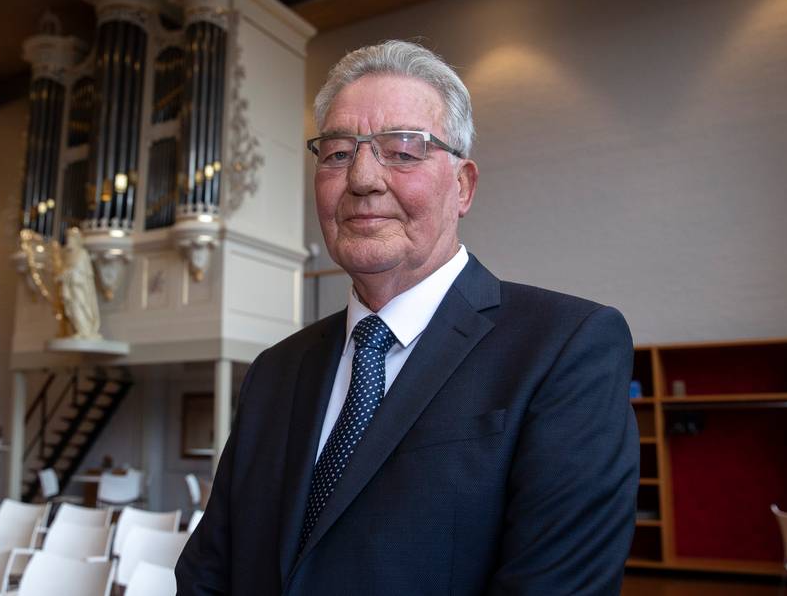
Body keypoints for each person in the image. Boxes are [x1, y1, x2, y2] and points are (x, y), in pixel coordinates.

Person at [176, 40, 637, 595]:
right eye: (338, 154)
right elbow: (208, 570)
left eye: (402, 150)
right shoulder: (274, 371)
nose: (363, 178)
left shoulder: (565, 349)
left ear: (462, 186)